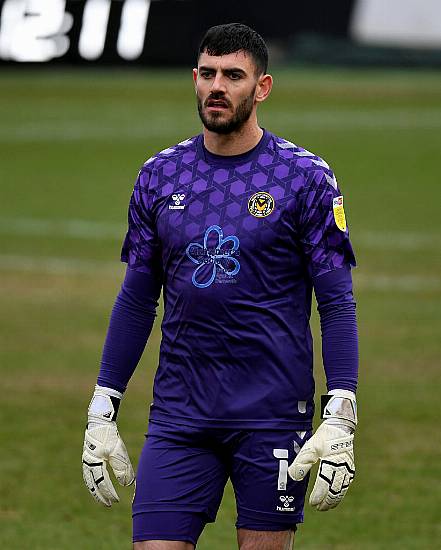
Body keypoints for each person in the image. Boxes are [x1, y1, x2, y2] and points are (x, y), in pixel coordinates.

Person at [82, 23, 359, 550]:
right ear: (194, 78)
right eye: (208, 74)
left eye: (234, 75)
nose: (217, 86)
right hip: (180, 414)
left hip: (273, 414)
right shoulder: (159, 177)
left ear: (262, 87)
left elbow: (337, 303)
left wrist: (342, 410)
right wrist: (103, 404)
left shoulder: (305, 178)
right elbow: (138, 298)